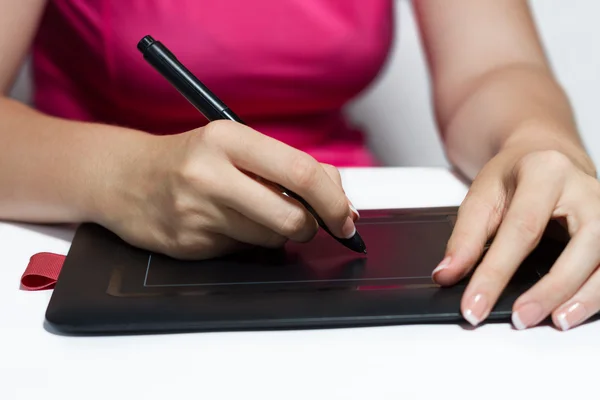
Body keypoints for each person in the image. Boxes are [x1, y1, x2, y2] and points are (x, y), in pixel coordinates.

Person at [1, 0, 599, 332]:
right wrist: (122, 174)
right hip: (110, 230)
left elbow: (492, 67)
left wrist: (539, 142)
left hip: (341, 225)